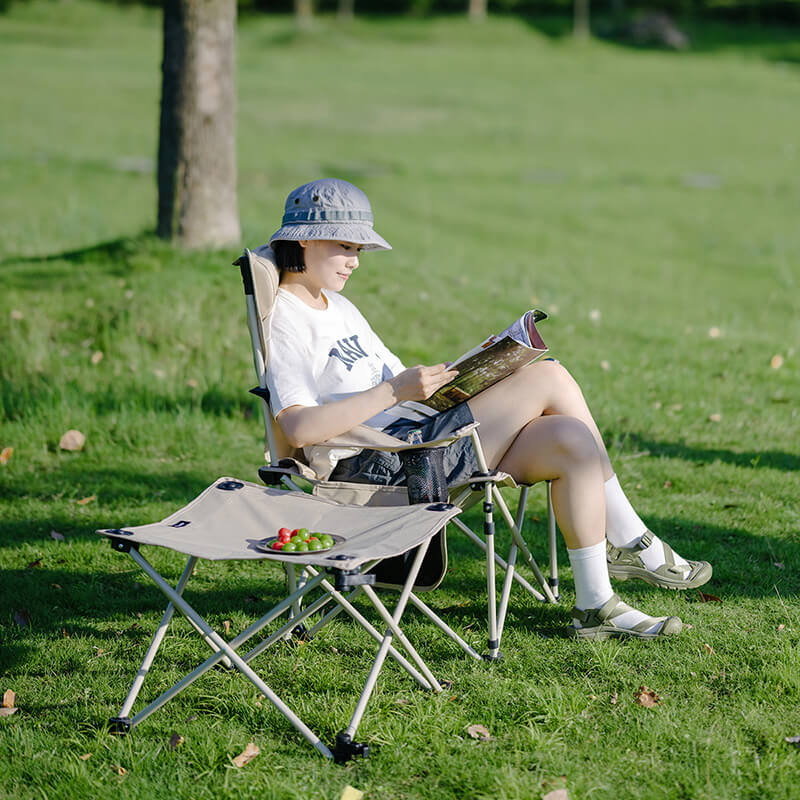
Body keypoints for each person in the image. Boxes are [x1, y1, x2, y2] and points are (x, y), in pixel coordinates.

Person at [264, 178, 712, 640]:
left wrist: (466, 376)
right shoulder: (285, 320)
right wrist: (394, 393)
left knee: (569, 439)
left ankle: (595, 607)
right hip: (384, 465)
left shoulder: (337, 307)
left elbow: (404, 388)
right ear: (305, 238)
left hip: (420, 435)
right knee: (549, 375)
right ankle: (635, 542)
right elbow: (298, 429)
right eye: (345, 247)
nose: (355, 262)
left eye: (359, 249)